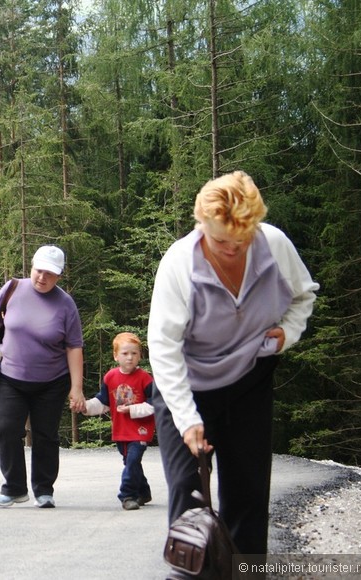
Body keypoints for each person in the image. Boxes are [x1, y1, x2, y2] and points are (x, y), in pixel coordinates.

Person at [147, 171, 318, 560]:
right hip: (186, 385)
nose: (232, 249)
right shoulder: (179, 264)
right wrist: (188, 420)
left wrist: (286, 334)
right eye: (221, 240)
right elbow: (164, 346)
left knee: (248, 493)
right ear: (200, 224)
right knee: (189, 495)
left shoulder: (274, 244)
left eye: (243, 240)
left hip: (248, 381)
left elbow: (303, 296)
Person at [0, 245, 86, 508]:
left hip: (51, 382)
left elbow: (74, 347)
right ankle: (14, 487)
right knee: (5, 428)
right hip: (9, 377)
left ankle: (44, 489)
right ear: (31, 266)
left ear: (59, 275)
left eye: (50, 273)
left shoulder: (66, 304)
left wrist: (77, 387)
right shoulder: (12, 288)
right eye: (39, 271)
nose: (42, 278)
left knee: (46, 434)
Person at [82, 332, 155, 511]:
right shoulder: (110, 377)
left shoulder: (146, 378)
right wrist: (85, 407)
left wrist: (132, 409)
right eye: (125, 353)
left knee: (132, 460)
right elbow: (103, 402)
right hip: (121, 431)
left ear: (140, 355)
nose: (130, 357)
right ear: (116, 356)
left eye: (134, 353)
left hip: (141, 430)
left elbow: (155, 404)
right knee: (131, 463)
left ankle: (127, 495)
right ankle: (144, 492)